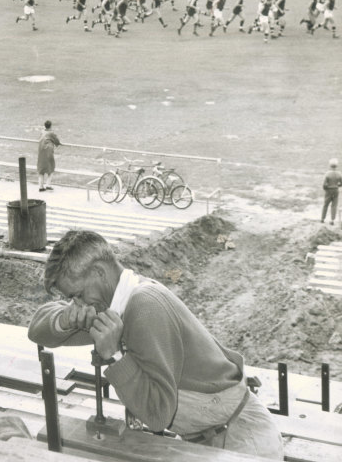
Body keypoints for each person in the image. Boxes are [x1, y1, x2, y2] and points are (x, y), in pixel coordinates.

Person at [27, 230, 284, 460]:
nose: (79, 305)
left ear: (99, 272)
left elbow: (157, 416)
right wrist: (64, 319)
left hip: (242, 441)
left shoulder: (143, 306)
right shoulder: (114, 302)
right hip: (207, 436)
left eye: (78, 295)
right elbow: (36, 331)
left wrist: (115, 355)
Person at [36, 120, 61, 191]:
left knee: (41, 169)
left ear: (45, 126)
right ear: (51, 126)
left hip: (41, 151)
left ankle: (41, 187)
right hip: (48, 152)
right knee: (51, 167)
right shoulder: (51, 133)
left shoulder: (42, 132)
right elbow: (57, 142)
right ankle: (48, 185)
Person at [321, 158, 342, 225]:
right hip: (335, 190)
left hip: (328, 190)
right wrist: (337, 186)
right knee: (334, 205)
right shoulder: (339, 174)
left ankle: (322, 219)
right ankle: (332, 220)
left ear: (330, 165)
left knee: (325, 205)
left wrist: (326, 189)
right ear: (337, 165)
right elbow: (341, 183)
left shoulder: (327, 174)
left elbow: (324, 184)